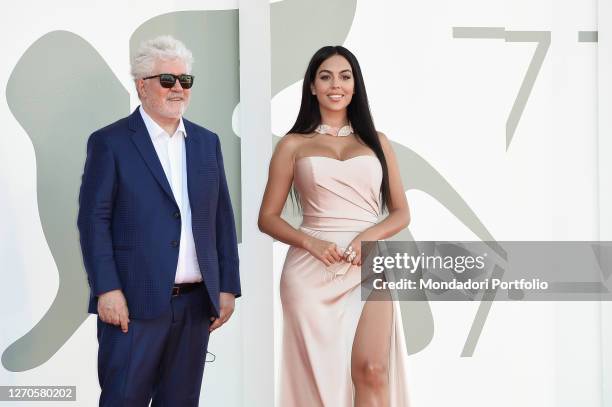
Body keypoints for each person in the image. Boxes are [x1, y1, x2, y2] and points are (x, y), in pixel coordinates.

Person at [77, 35, 240, 406]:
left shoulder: (206, 142)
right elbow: (94, 221)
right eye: (167, 80)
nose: (178, 88)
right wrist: (107, 289)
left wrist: (227, 285)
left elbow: (221, 219)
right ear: (142, 86)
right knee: (123, 399)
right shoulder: (111, 142)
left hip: (196, 305)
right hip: (131, 305)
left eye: (185, 80)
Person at [258, 46, 411, 406]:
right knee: (319, 381)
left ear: (356, 86)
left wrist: (367, 236)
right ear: (312, 86)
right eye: (325, 76)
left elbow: (401, 212)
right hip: (311, 270)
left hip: (368, 262)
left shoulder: (378, 142)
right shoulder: (293, 144)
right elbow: (267, 217)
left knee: (373, 369)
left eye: (345, 76)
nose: (335, 84)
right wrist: (310, 243)